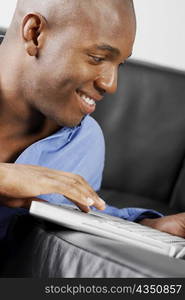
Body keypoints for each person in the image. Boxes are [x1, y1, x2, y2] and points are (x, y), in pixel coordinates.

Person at [0, 0, 185, 241]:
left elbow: (68, 219)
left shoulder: (83, 144)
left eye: (120, 64)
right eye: (97, 58)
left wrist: (146, 227)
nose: (111, 84)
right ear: (34, 33)